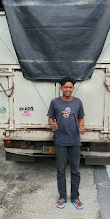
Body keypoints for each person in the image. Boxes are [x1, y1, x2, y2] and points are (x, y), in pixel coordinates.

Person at [47, 77, 86, 210]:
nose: (68, 89)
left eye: (70, 87)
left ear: (73, 89)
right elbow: (50, 117)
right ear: (61, 88)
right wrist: (52, 124)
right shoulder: (55, 102)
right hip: (60, 141)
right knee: (61, 170)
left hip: (75, 141)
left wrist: (82, 127)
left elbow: (81, 118)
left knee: (75, 170)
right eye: (66, 87)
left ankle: (75, 197)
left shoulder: (78, 102)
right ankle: (62, 197)